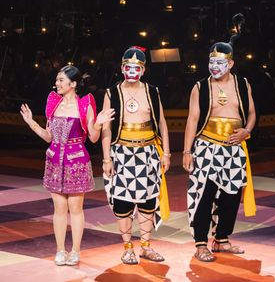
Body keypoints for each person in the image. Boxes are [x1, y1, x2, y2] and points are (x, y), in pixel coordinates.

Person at [20, 65, 114, 266]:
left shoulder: (85, 105)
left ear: (73, 84)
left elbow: (94, 138)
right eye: (57, 80)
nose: (57, 83)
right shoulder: (53, 103)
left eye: (61, 80)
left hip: (76, 161)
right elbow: (49, 137)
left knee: (75, 208)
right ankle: (60, 250)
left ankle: (75, 251)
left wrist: (98, 123)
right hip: (54, 160)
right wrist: (31, 123)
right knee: (59, 208)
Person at [183, 39, 257, 262]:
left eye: (219, 63)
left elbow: (252, 113)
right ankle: (200, 244)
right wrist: (187, 152)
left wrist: (246, 131)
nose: (214, 67)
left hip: (234, 149)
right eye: (211, 62)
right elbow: (192, 119)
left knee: (231, 196)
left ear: (231, 64)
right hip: (207, 147)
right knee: (204, 195)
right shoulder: (200, 87)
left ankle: (221, 239)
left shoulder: (243, 84)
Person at [100, 46, 171, 265]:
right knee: (123, 203)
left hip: (148, 153)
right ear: (122, 68)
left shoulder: (152, 91)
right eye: (128, 67)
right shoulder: (112, 93)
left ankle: (146, 246)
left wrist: (167, 153)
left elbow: (162, 123)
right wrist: (106, 159)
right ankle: (128, 248)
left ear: (143, 70)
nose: (132, 71)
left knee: (148, 202)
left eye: (136, 68)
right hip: (121, 153)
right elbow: (106, 128)